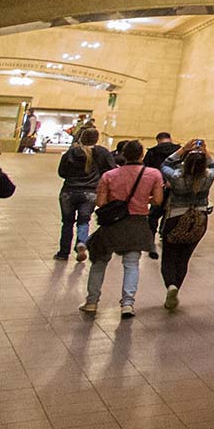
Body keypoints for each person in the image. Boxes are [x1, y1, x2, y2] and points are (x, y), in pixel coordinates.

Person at [80, 140, 166, 318]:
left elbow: (100, 202)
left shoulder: (109, 175)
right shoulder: (153, 174)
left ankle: (91, 302)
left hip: (112, 225)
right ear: (141, 155)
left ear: (123, 155)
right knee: (132, 264)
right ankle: (127, 303)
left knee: (99, 263)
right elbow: (158, 200)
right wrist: (142, 199)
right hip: (137, 223)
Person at [155, 141, 214, 311]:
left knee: (169, 256)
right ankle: (177, 288)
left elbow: (165, 164)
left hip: (176, 217)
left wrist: (183, 150)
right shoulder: (208, 176)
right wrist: (205, 151)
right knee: (184, 258)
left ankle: (170, 286)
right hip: (199, 219)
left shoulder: (176, 177)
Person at [55, 127, 115, 263]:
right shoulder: (102, 152)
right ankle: (81, 243)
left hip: (68, 192)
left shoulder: (71, 153)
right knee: (84, 221)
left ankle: (63, 253)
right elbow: (111, 171)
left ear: (81, 138)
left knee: (67, 223)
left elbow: (62, 172)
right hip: (90, 192)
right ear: (97, 139)